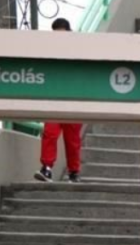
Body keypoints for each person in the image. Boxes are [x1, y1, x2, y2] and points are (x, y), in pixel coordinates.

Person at [34, 19, 82, 183]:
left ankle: (74, 172)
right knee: (50, 132)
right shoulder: (49, 50)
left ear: (69, 32)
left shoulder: (78, 49)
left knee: (72, 139)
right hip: (54, 99)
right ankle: (46, 168)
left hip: (74, 101)